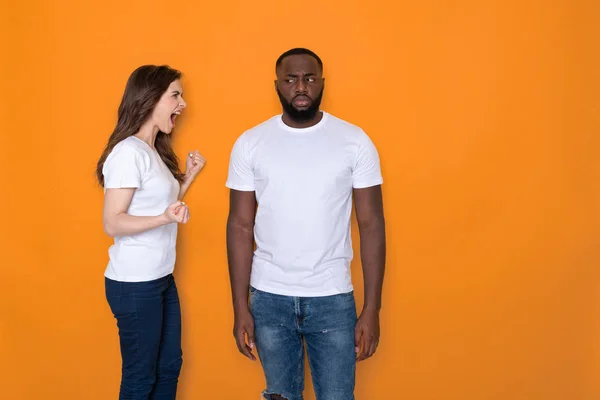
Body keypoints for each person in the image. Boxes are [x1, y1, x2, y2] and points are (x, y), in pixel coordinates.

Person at [226, 48, 386, 400]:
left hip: (331, 297)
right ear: (277, 85)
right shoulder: (251, 143)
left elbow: (372, 224)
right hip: (268, 297)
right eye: (291, 79)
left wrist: (372, 309)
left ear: (322, 83)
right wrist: (240, 307)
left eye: (310, 78)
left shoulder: (354, 141)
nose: (301, 87)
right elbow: (239, 225)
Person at [96, 65, 205, 399]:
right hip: (134, 285)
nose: (182, 104)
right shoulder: (128, 152)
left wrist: (186, 178)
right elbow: (113, 222)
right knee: (141, 377)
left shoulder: (152, 151)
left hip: (160, 278)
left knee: (169, 366)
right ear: (150, 99)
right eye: (175, 95)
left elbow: (159, 205)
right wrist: (163, 218)